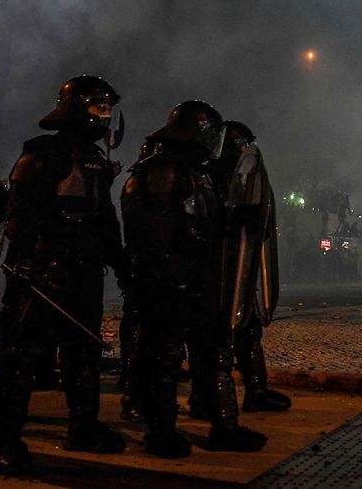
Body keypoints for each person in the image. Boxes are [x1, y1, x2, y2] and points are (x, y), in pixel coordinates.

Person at [0, 76, 128, 474]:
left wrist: (120, 264)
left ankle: (83, 428)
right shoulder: (42, 154)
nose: (105, 114)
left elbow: (105, 218)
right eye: (98, 107)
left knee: (82, 354)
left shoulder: (96, 159)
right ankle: (2, 441)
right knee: (19, 358)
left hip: (84, 273)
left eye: (107, 108)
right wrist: (27, 266)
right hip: (43, 272)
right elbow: (20, 216)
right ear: (77, 107)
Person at [122, 101, 266, 458]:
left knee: (214, 356)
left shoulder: (199, 173)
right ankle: (161, 431)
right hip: (167, 283)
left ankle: (225, 427)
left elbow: (208, 227)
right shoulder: (160, 172)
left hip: (199, 279)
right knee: (164, 359)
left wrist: (239, 220)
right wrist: (169, 276)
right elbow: (157, 236)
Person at [206, 121, 290, 414]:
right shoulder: (209, 178)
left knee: (249, 331)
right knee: (216, 338)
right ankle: (205, 399)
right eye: (240, 144)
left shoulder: (244, 179)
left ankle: (257, 390)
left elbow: (257, 225)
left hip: (240, 270)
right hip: (214, 272)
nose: (244, 150)